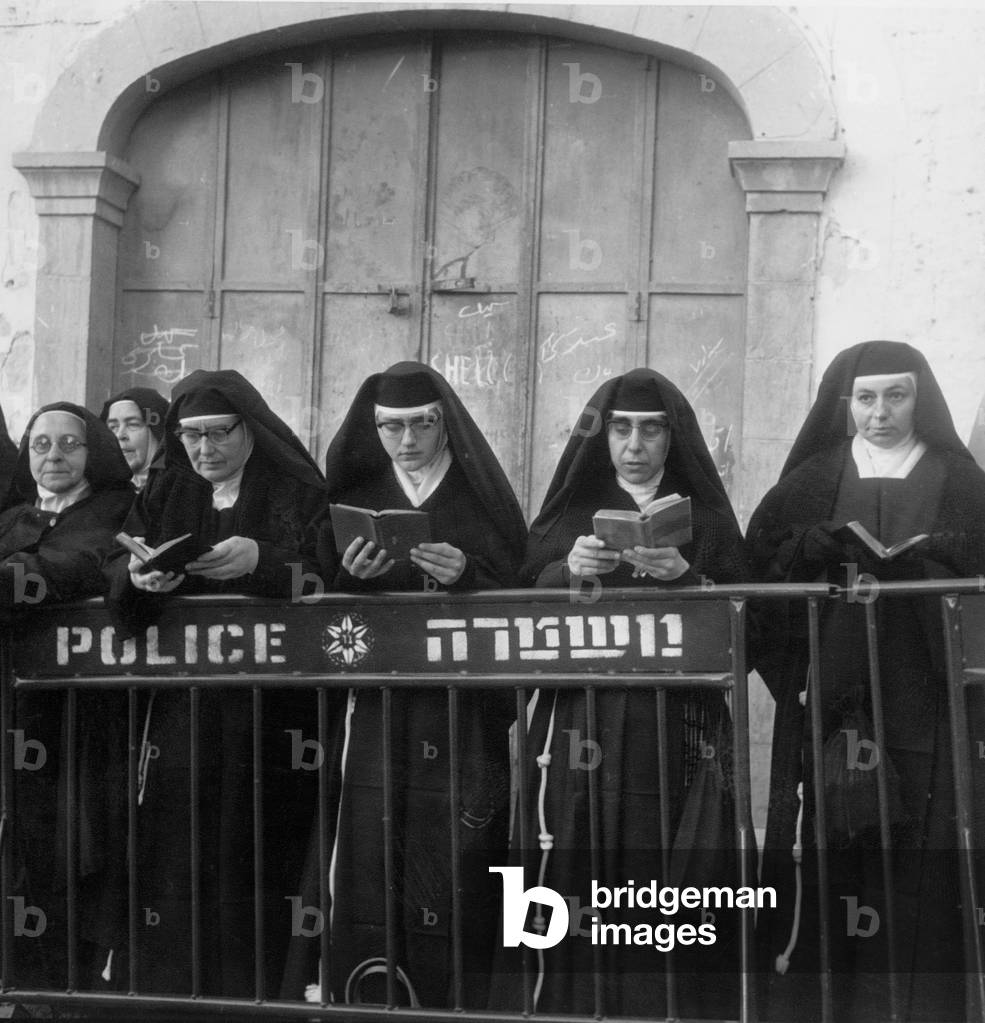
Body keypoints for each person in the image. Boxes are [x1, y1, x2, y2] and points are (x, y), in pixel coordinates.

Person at [495, 368, 748, 1017]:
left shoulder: (710, 519)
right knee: (573, 859)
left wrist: (690, 578)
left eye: (651, 429)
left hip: (673, 726)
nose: (634, 444)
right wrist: (565, 570)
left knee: (662, 866)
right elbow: (517, 602)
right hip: (579, 720)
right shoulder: (568, 515)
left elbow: (751, 624)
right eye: (621, 428)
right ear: (602, 435)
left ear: (672, 436)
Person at [747, 340, 985, 1021]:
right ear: (843, 403)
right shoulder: (807, 482)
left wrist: (940, 564)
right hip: (837, 696)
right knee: (835, 846)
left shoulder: (962, 482)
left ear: (921, 398)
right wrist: (802, 554)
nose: (880, 412)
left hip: (930, 704)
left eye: (896, 395)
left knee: (926, 853)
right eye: (865, 397)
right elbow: (759, 582)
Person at [281, 361, 526, 1009]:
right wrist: (349, 575)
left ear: (445, 423)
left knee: (456, 852)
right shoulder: (355, 493)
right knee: (366, 841)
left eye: (421, 424)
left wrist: (469, 574)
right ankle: (362, 986)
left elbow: (521, 595)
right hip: (378, 707)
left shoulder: (477, 498)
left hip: (460, 711)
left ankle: (454, 995)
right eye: (390, 427)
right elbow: (314, 594)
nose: (406, 440)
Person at [104, 369, 328, 997]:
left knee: (261, 845)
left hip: (274, 713)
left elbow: (327, 575)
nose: (204, 451)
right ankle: (170, 993)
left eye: (218, 434)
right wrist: (140, 581)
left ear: (250, 429)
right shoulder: (170, 489)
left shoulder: (295, 489)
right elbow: (118, 566)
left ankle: (259, 992)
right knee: (179, 847)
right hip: (187, 711)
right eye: (191, 437)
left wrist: (265, 563)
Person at [0, 404, 133, 988]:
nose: (52, 456)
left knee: (64, 851)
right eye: (41, 444)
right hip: (12, 706)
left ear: (93, 452)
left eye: (69, 445)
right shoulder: (13, 515)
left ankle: (56, 986)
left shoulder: (112, 510)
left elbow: (73, 566)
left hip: (72, 717)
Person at [100, 386, 170, 490]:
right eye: (113, 427)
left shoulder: (180, 490)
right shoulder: (101, 494)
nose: (120, 435)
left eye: (132, 424)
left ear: (157, 431)